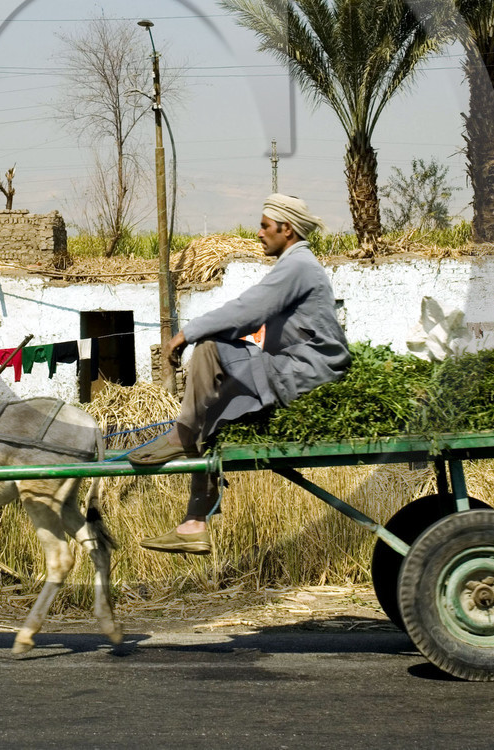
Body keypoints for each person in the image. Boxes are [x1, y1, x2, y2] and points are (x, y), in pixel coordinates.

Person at [129, 193, 350, 554]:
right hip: (292, 366)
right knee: (210, 415)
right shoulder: (295, 264)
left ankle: (181, 435)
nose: (259, 233)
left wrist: (187, 333)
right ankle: (194, 524)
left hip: (309, 368)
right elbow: (250, 315)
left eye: (265, 226)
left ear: (287, 229)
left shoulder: (298, 266)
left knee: (210, 347)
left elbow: (248, 310)